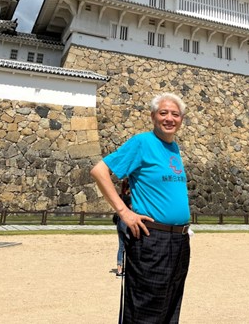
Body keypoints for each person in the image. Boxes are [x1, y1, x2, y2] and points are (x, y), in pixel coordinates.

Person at [90, 92, 191, 324]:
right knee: (145, 311)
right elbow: (99, 171)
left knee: (170, 307)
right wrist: (124, 212)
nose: (169, 118)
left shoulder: (173, 148)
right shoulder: (142, 143)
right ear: (153, 116)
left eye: (175, 114)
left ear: (181, 120)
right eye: (163, 113)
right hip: (152, 238)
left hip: (179, 241)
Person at [116, 178, 131, 278]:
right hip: (126, 222)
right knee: (130, 245)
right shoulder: (128, 198)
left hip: (119, 222)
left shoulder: (120, 197)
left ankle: (119, 269)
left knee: (121, 246)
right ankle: (130, 267)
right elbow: (132, 208)